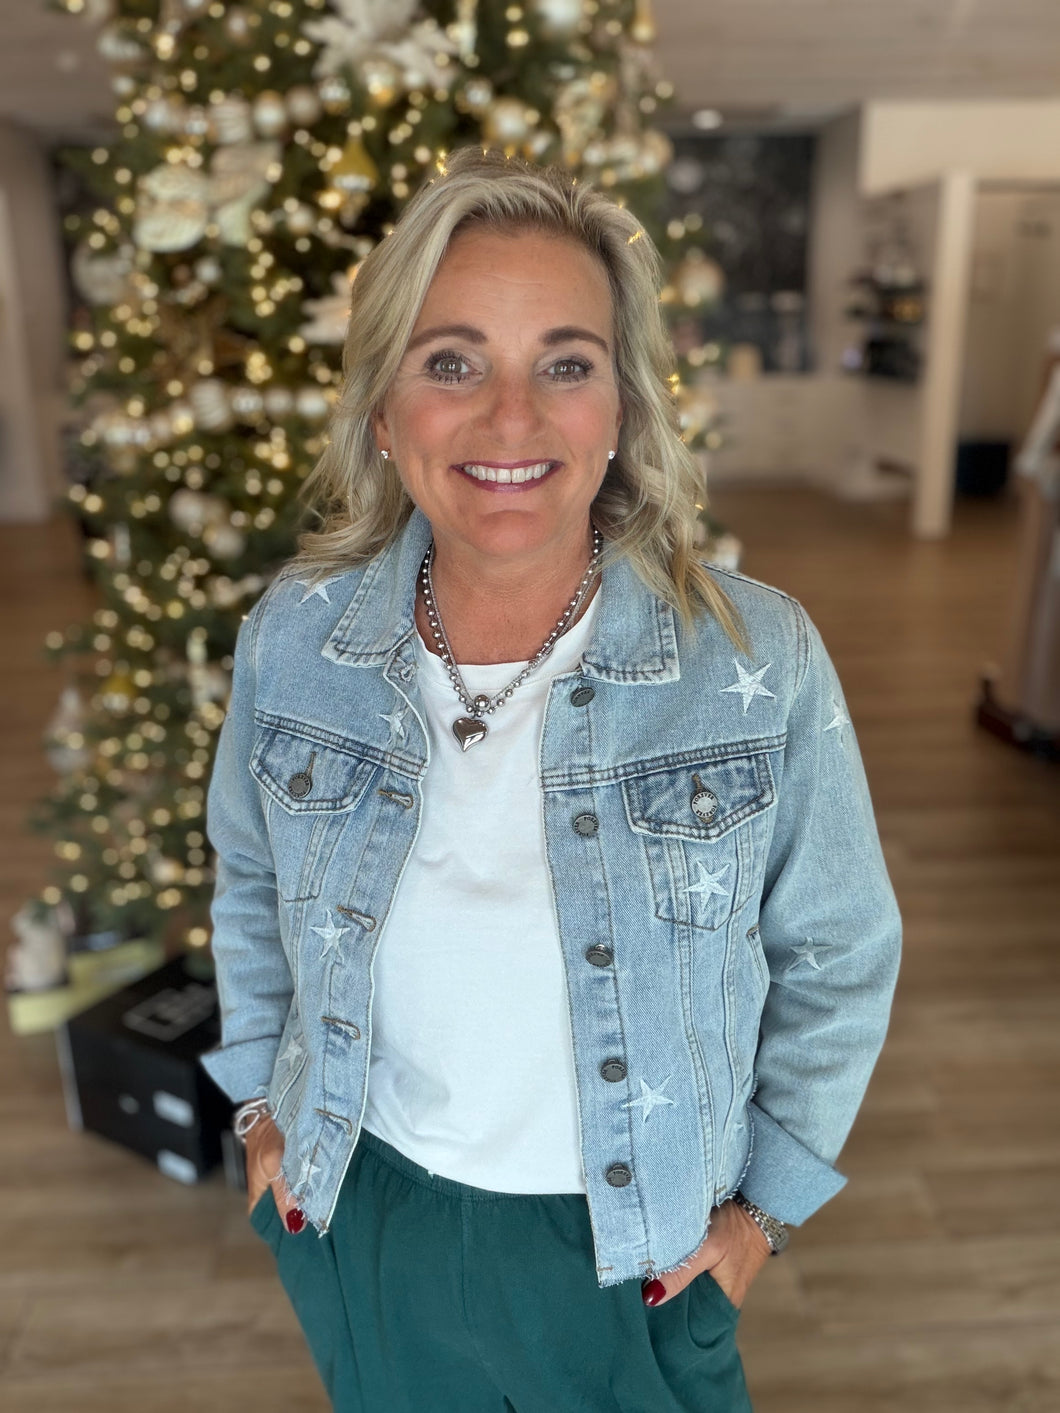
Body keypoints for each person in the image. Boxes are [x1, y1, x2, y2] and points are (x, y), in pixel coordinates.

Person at [202, 146, 901, 1412]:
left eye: (565, 364)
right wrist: (259, 1105)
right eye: (452, 362)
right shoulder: (295, 639)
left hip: (639, 1248)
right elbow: (250, 877)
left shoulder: (753, 656)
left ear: (620, 407)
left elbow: (839, 948)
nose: (511, 418)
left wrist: (763, 1211)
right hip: (364, 1210)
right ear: (383, 409)